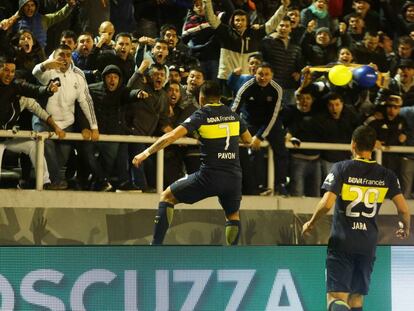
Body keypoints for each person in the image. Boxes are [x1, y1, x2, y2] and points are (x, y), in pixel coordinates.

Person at [302, 125, 410, 311]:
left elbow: (327, 204)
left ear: (352, 145)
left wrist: (310, 223)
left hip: (343, 243)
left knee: (335, 298)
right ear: (374, 146)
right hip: (367, 244)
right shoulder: (387, 176)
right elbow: (403, 209)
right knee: (356, 299)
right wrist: (405, 226)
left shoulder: (342, 169)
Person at [132, 80, 252, 245]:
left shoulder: (202, 114)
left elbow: (172, 136)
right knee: (232, 215)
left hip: (209, 176)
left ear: (201, 98)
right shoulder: (233, 115)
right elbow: (248, 140)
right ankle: (232, 257)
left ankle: (155, 247)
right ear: (220, 97)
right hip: (233, 177)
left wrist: (145, 153)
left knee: (167, 196)